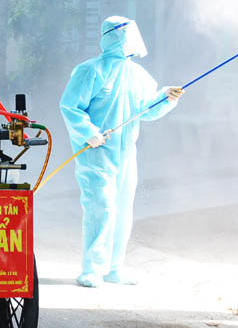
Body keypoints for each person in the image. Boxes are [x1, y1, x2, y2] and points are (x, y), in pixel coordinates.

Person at [59, 16, 184, 288]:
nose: (130, 38)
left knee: (123, 210)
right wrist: (88, 132)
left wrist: (166, 97)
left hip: (126, 154)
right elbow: (70, 106)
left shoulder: (137, 74)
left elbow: (146, 109)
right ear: (113, 36)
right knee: (100, 208)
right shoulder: (90, 71)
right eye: (125, 33)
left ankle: (115, 267)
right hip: (96, 153)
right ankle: (91, 269)